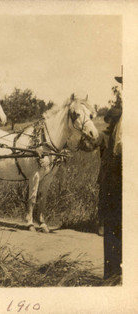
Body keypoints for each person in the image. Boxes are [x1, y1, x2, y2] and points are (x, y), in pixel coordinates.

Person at [97, 75, 122, 281]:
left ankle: (114, 274)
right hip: (107, 175)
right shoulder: (105, 136)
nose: (111, 123)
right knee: (105, 207)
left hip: (114, 177)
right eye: (110, 120)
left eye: (113, 119)